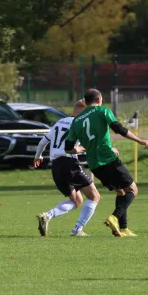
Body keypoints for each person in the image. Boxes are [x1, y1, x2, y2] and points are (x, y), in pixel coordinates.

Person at [65, 88, 148, 237]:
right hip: (108, 158)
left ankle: (123, 228)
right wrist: (140, 140)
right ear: (99, 99)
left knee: (120, 191)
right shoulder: (102, 111)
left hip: (94, 165)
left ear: (85, 102)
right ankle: (114, 217)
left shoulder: (76, 121)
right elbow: (119, 129)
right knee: (133, 190)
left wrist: (86, 147)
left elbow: (68, 148)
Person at [34, 100, 101, 237]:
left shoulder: (59, 122)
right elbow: (81, 148)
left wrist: (38, 156)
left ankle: (47, 216)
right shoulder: (80, 124)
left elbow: (43, 142)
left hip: (56, 166)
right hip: (69, 164)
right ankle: (77, 230)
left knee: (77, 200)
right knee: (94, 196)